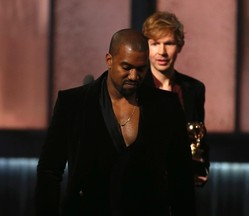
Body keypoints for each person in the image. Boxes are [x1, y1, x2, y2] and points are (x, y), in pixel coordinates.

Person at [35, 28, 196, 216]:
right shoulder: (73, 104)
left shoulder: (166, 106)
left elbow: (181, 176)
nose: (134, 76)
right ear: (109, 61)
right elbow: (49, 170)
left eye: (141, 69)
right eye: (127, 67)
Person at [142, 11, 210, 186]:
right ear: (145, 47)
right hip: (142, 184)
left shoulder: (194, 88)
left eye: (169, 43)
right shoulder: (136, 87)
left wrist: (202, 168)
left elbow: (199, 136)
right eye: (155, 44)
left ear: (180, 46)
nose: (162, 52)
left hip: (181, 183)